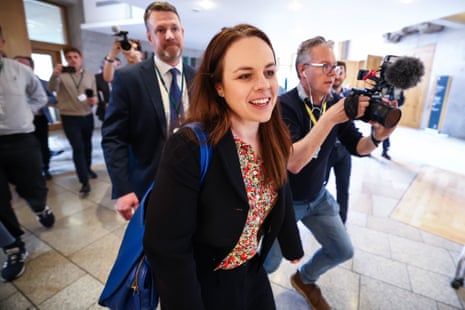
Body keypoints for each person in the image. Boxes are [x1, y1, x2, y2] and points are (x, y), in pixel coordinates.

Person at [143, 23, 304, 310]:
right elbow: (167, 247)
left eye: (269, 71)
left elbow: (282, 187)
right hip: (206, 280)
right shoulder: (191, 146)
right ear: (218, 86)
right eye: (245, 75)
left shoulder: (273, 133)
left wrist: (291, 243)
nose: (264, 85)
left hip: (251, 269)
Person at [264, 36, 398, 310]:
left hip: (318, 197)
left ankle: (305, 279)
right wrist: (330, 117)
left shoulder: (335, 102)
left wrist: (378, 137)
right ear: (303, 70)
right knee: (268, 264)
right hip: (286, 201)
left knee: (342, 250)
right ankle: (244, 294)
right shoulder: (282, 107)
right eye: (325, 66)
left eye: (335, 66)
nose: (334, 73)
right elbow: (294, 163)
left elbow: (358, 147)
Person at [101, 1, 196, 220]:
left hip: (193, 181)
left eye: (174, 28)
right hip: (149, 183)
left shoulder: (199, 79)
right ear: (150, 37)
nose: (169, 35)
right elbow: (113, 137)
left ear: (182, 32)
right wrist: (123, 188)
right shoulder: (128, 78)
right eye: (160, 30)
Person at [0, 25, 55, 282]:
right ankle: (13, 247)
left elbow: (39, 96)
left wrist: (24, 114)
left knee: (32, 186)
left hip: (20, 139)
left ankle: (40, 207)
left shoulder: (19, 71)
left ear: (1, 41)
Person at [47, 46, 98, 194]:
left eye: (75, 57)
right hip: (70, 117)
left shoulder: (89, 75)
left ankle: (87, 168)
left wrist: (93, 100)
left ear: (80, 58)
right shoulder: (61, 75)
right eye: (69, 57)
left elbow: (93, 93)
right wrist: (54, 75)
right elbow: (50, 88)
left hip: (87, 115)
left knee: (87, 145)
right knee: (78, 148)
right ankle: (84, 181)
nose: (72, 60)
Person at [14, 55, 60, 180]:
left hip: (39, 118)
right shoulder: (10, 83)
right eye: (18, 64)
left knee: (43, 145)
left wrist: (40, 100)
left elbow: (53, 98)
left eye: (25, 65)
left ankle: (45, 168)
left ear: (32, 67)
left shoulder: (42, 82)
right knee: (24, 147)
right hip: (19, 121)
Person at [325, 60, 352, 223]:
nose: (338, 75)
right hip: (326, 150)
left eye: (341, 72)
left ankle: (342, 224)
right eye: (336, 71)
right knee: (320, 185)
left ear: (345, 75)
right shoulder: (324, 97)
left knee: (343, 189)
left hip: (344, 151)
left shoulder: (350, 96)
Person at [381, 88, 405, 160]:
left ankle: (385, 150)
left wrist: (394, 103)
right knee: (374, 128)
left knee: (387, 131)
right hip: (381, 109)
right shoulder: (384, 87)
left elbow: (400, 101)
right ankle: (370, 148)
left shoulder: (397, 89)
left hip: (391, 112)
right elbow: (380, 96)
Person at [95, 57, 121, 122]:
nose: (114, 68)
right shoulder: (97, 78)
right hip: (104, 108)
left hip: (119, 108)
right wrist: (104, 103)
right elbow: (96, 93)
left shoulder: (121, 77)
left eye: (117, 65)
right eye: (111, 65)